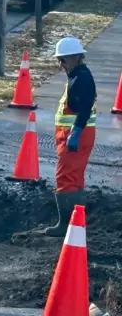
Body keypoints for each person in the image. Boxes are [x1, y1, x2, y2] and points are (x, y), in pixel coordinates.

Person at [42, 36, 97, 237]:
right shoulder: (78, 76)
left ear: (75, 57)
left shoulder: (81, 79)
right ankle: (75, 222)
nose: (61, 64)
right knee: (74, 177)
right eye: (60, 60)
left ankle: (65, 225)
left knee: (65, 177)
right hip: (77, 134)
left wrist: (75, 133)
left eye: (63, 60)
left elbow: (84, 108)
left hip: (76, 136)